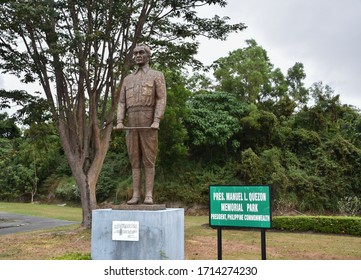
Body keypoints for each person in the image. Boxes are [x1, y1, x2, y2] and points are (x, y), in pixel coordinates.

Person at [115, 44, 167, 205]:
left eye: (141, 52)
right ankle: (136, 194)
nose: (138, 55)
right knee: (134, 160)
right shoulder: (127, 79)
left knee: (149, 160)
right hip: (131, 123)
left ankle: (149, 194)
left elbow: (161, 98)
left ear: (148, 55)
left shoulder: (156, 75)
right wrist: (119, 121)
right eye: (135, 53)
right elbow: (122, 102)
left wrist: (157, 120)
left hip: (148, 121)